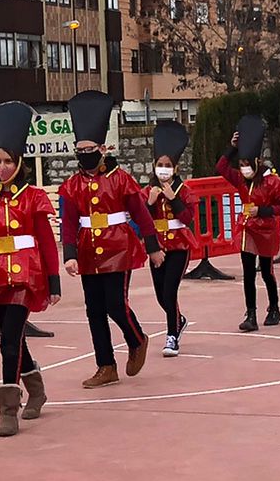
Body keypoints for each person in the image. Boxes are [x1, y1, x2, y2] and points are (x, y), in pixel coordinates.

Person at [0, 101, 60, 436]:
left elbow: (46, 241)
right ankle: (38, 390)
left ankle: (8, 406)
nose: (1, 167)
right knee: (14, 337)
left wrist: (54, 280)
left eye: (7, 161)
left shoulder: (33, 198)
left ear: (19, 164)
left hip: (25, 275)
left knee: (7, 343)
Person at [57, 89, 163, 387]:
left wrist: (152, 247)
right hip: (89, 250)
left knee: (116, 304)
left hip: (119, 247)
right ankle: (106, 365)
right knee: (94, 310)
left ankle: (137, 338)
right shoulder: (71, 185)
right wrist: (70, 254)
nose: (83, 153)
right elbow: (68, 222)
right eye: (79, 148)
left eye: (89, 148)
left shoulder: (120, 179)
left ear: (102, 148)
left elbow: (141, 214)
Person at [218, 113, 280, 330]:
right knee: (248, 272)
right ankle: (250, 314)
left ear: (256, 162)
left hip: (266, 230)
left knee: (267, 271)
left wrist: (264, 210)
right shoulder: (240, 179)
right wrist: (231, 148)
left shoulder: (272, 182)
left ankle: (274, 306)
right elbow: (221, 168)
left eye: (246, 164)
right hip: (247, 230)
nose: (243, 168)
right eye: (240, 164)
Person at [144, 118, 198, 354]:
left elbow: (188, 219)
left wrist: (173, 199)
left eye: (167, 164)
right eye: (159, 164)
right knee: (160, 295)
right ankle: (179, 320)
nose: (163, 168)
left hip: (178, 247)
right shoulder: (148, 191)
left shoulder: (184, 191)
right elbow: (141, 222)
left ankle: (171, 337)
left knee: (169, 291)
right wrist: (150, 203)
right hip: (157, 247)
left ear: (175, 167)